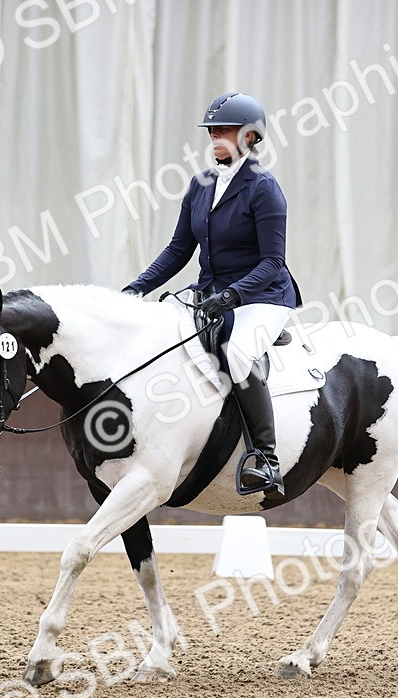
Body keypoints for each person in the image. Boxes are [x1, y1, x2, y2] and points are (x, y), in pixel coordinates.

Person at [123, 91, 302, 497]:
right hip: (210, 291)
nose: (216, 138)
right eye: (213, 131)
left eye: (225, 130)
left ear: (250, 136)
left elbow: (273, 262)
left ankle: (266, 458)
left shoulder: (264, 188)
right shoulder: (201, 184)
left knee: (237, 352)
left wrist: (234, 296)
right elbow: (178, 249)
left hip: (263, 296)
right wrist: (138, 288)